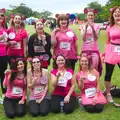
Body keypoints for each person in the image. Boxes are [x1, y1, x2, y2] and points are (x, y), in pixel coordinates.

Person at [102, 6, 120, 103]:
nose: (117, 14)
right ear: (112, 15)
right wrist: (104, 54)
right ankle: (108, 93)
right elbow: (107, 42)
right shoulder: (109, 27)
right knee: (108, 73)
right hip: (112, 51)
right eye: (115, 12)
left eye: (119, 12)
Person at [79, 8, 102, 76]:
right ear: (86, 16)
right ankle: (86, 84)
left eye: (92, 15)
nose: (90, 17)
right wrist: (86, 28)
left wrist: (92, 28)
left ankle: (94, 83)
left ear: (94, 16)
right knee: (84, 67)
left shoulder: (97, 26)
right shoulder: (82, 26)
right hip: (85, 50)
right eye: (89, 15)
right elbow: (83, 38)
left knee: (94, 68)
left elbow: (96, 38)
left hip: (94, 50)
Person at [0, 8, 8, 104]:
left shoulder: (4, 27)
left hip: (4, 54)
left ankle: (4, 94)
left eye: (2, 15)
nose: (1, 17)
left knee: (3, 74)